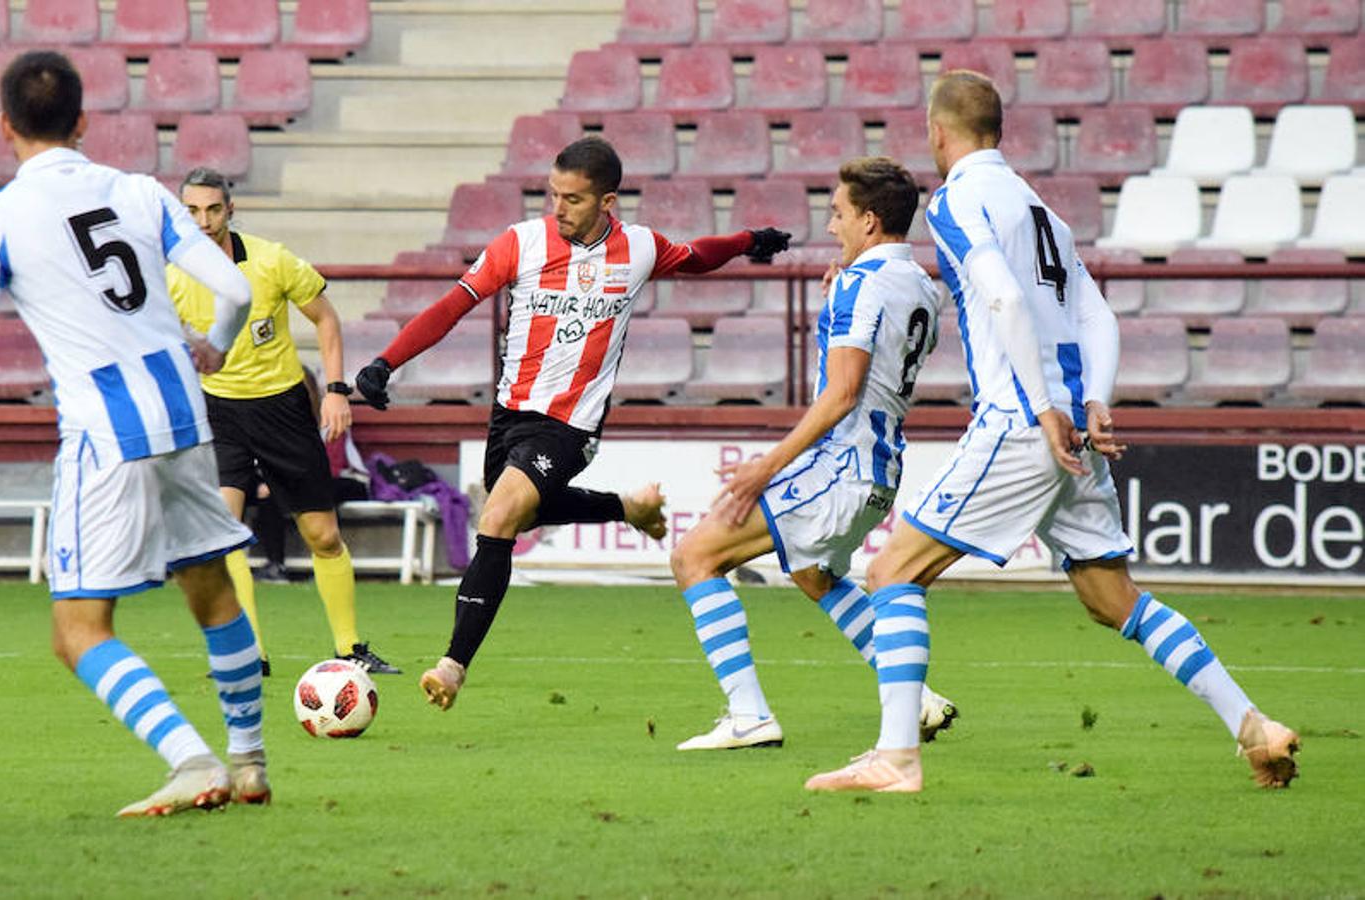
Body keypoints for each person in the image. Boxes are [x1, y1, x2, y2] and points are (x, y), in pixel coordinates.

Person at [804, 70, 1299, 794]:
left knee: (889, 572)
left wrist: (1038, 406)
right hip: (1073, 422)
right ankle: (1252, 727)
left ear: (937, 133)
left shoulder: (956, 201)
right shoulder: (1042, 212)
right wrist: (1092, 398)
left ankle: (896, 757)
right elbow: (1097, 316)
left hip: (1021, 421)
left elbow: (1000, 296)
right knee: (1111, 597)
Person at [0, 51, 269, 816]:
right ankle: (249, 761)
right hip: (183, 412)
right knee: (208, 585)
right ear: (83, 121)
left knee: (77, 629)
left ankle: (192, 761)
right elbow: (237, 289)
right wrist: (212, 341)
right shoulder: (139, 191)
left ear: (3, 125)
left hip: (104, 433)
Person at [354, 137, 793, 710]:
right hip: (509, 413)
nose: (558, 208)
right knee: (519, 508)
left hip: (571, 424)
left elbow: (696, 256)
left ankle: (453, 663)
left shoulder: (637, 247)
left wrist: (748, 241)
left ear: (607, 201)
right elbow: (454, 304)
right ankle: (627, 508)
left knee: (503, 512)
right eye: (553, 194)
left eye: (574, 199)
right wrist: (386, 361)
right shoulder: (521, 242)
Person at [667, 158, 957, 751]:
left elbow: (844, 391)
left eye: (839, 213)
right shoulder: (923, 287)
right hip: (881, 467)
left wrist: (765, 466)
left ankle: (749, 716)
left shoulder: (860, 283)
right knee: (813, 573)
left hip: (839, 466)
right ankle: (916, 696)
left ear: (870, 221)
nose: (831, 227)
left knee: (694, 557)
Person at [167, 168, 398, 676]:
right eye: (191, 211)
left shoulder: (271, 260)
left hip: (282, 408)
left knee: (322, 536)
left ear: (230, 210)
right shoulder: (171, 274)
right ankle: (250, 656)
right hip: (219, 412)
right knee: (225, 532)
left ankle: (350, 648)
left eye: (212, 210)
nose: (203, 222)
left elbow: (327, 319)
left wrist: (336, 392)